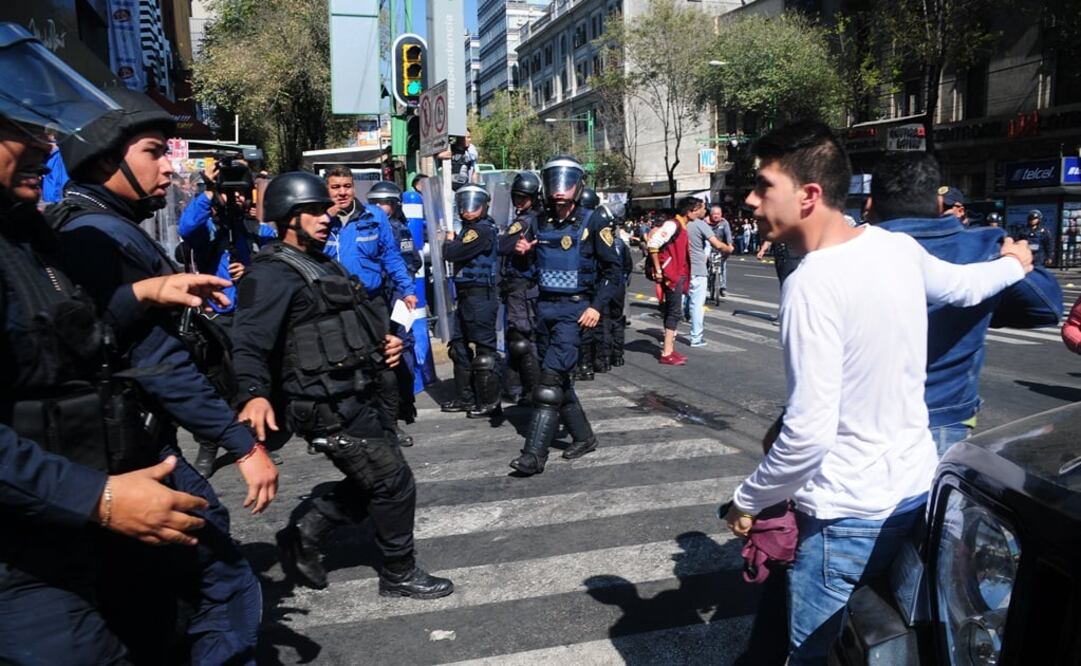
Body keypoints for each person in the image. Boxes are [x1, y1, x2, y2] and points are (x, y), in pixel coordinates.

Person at [723, 121, 1032, 665]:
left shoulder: (811, 284)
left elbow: (808, 435)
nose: (750, 200)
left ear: (809, 195)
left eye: (764, 186)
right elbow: (964, 287)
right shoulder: (897, 248)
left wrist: (746, 500)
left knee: (812, 654)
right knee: (890, 643)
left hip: (844, 516)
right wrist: (1013, 264)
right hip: (913, 494)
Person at [0, 25, 244, 663]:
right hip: (27, 554)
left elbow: (63, 345)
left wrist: (144, 294)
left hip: (70, 524)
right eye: (20, 128)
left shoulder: (27, 239)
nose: (43, 144)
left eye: (43, 128)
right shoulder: (76, 231)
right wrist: (101, 499)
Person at [51, 87, 275, 664]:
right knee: (226, 586)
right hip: (125, 452)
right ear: (106, 160)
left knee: (143, 601)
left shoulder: (102, 224)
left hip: (123, 445)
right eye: (154, 151)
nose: (168, 165)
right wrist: (241, 444)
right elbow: (155, 359)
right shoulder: (94, 235)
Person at [231, 171, 453, 599]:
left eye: (325, 208)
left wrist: (386, 341)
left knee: (378, 476)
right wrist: (254, 394)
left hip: (356, 389)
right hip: (321, 402)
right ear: (288, 217)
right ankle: (398, 571)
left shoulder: (322, 261)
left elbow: (349, 317)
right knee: (393, 482)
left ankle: (305, 533)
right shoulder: (272, 274)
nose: (326, 216)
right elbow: (248, 342)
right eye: (313, 210)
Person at [868, 153, 1062, 455]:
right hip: (944, 417)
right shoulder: (984, 246)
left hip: (861, 418)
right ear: (938, 204)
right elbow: (1046, 307)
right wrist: (985, 303)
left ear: (871, 204)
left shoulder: (851, 251)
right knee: (936, 499)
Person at [508, 155, 621, 476]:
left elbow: (614, 271)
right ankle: (584, 437)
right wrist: (523, 255)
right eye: (555, 181)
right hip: (544, 310)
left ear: (577, 185)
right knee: (559, 381)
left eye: (567, 182)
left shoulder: (594, 221)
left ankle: (533, 455)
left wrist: (596, 306)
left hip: (575, 311)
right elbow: (528, 272)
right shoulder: (540, 223)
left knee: (547, 384)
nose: (560, 190)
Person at [178, 159, 277, 475]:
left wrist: (253, 266)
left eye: (241, 192)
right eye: (230, 192)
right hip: (214, 319)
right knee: (216, 385)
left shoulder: (251, 228)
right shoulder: (207, 227)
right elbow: (186, 227)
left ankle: (250, 442)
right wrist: (211, 191)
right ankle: (208, 447)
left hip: (247, 316)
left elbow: (279, 250)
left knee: (249, 381)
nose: (237, 198)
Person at [322, 168, 418, 443]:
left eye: (347, 186)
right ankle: (333, 430)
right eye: (335, 187)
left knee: (384, 372)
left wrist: (407, 289)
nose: (342, 192)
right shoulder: (318, 220)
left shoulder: (374, 217)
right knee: (335, 371)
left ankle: (389, 426)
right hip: (332, 307)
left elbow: (392, 257)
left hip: (371, 304)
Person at [439, 184, 502, 418]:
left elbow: (452, 253)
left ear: (484, 206)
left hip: (480, 297)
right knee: (458, 347)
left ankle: (490, 402)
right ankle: (466, 398)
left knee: (485, 352)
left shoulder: (482, 230)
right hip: (465, 296)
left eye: (474, 203)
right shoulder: (468, 229)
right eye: (464, 203)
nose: (468, 209)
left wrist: (448, 241)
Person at [367, 181, 422, 445]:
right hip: (374, 300)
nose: (379, 208)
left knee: (400, 352)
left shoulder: (400, 231)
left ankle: (402, 407)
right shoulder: (364, 228)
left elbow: (411, 262)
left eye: (384, 203)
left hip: (397, 300)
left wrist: (404, 292)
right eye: (374, 203)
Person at [498, 171, 543, 404]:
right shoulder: (533, 219)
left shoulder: (527, 222)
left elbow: (503, 244)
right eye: (516, 197)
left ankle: (528, 389)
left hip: (522, 288)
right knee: (519, 338)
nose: (519, 202)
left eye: (524, 198)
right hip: (520, 287)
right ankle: (517, 386)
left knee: (522, 340)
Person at [647, 197, 699, 365]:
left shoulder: (682, 226)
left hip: (679, 273)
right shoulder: (673, 225)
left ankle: (669, 349)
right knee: (674, 312)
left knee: (672, 311)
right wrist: (659, 269)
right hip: (672, 274)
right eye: (700, 209)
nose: (702, 212)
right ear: (689, 211)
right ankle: (666, 352)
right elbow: (653, 244)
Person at [686, 204, 735, 347]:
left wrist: (728, 244)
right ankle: (696, 337)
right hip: (700, 265)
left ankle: (722, 286)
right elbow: (717, 244)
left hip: (686, 268)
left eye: (717, 213)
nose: (706, 212)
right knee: (697, 304)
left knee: (722, 266)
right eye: (704, 209)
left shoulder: (724, 223)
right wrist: (728, 249)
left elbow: (728, 237)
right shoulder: (702, 223)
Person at [593, 204, 633, 368]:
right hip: (618, 286)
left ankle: (603, 359)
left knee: (604, 322)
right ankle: (618, 356)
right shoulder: (620, 243)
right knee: (617, 321)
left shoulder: (599, 243)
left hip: (604, 285)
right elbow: (627, 267)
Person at [576, 187, 602, 379]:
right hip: (587, 281)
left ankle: (585, 364)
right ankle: (588, 363)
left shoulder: (595, 224)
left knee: (586, 327)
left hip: (589, 281)